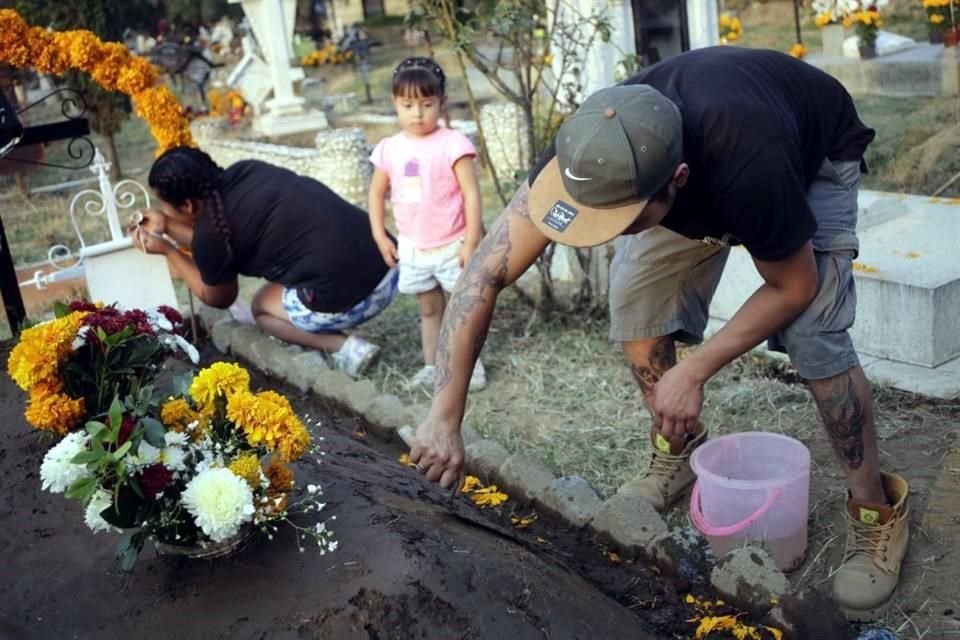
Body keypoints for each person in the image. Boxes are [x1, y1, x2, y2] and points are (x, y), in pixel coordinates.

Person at [408, 46, 908, 622]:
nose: (601, 236)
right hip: (693, 166)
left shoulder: (750, 160)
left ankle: (876, 512)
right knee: (636, 301)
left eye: (619, 221)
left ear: (678, 182)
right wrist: (445, 417)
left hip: (810, 151)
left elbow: (793, 286)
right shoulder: (591, 149)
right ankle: (677, 452)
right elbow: (481, 278)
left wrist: (695, 370)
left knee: (814, 334)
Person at [135, 146, 397, 378]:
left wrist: (169, 251)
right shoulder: (248, 170)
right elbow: (217, 244)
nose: (163, 210)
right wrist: (168, 224)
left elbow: (217, 296)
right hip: (389, 264)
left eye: (164, 205)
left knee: (261, 309)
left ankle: (347, 350)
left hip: (363, 299)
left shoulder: (211, 236)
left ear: (188, 206)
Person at [368, 57, 486, 391]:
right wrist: (380, 235)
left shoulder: (453, 144)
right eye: (407, 105)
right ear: (395, 103)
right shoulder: (389, 149)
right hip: (414, 248)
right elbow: (376, 194)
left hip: (452, 245)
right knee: (430, 310)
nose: (417, 114)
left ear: (442, 102)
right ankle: (432, 366)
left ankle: (470, 368)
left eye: (426, 104)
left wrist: (471, 242)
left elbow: (472, 195)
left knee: (463, 311)